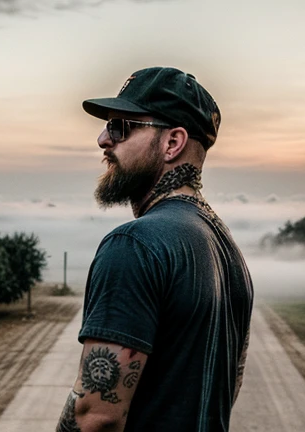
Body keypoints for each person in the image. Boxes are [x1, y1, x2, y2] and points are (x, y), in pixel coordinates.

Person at [56, 67, 254, 432]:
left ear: (172, 143)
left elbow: (96, 416)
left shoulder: (133, 246)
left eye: (119, 126)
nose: (103, 139)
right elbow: (230, 385)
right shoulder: (228, 251)